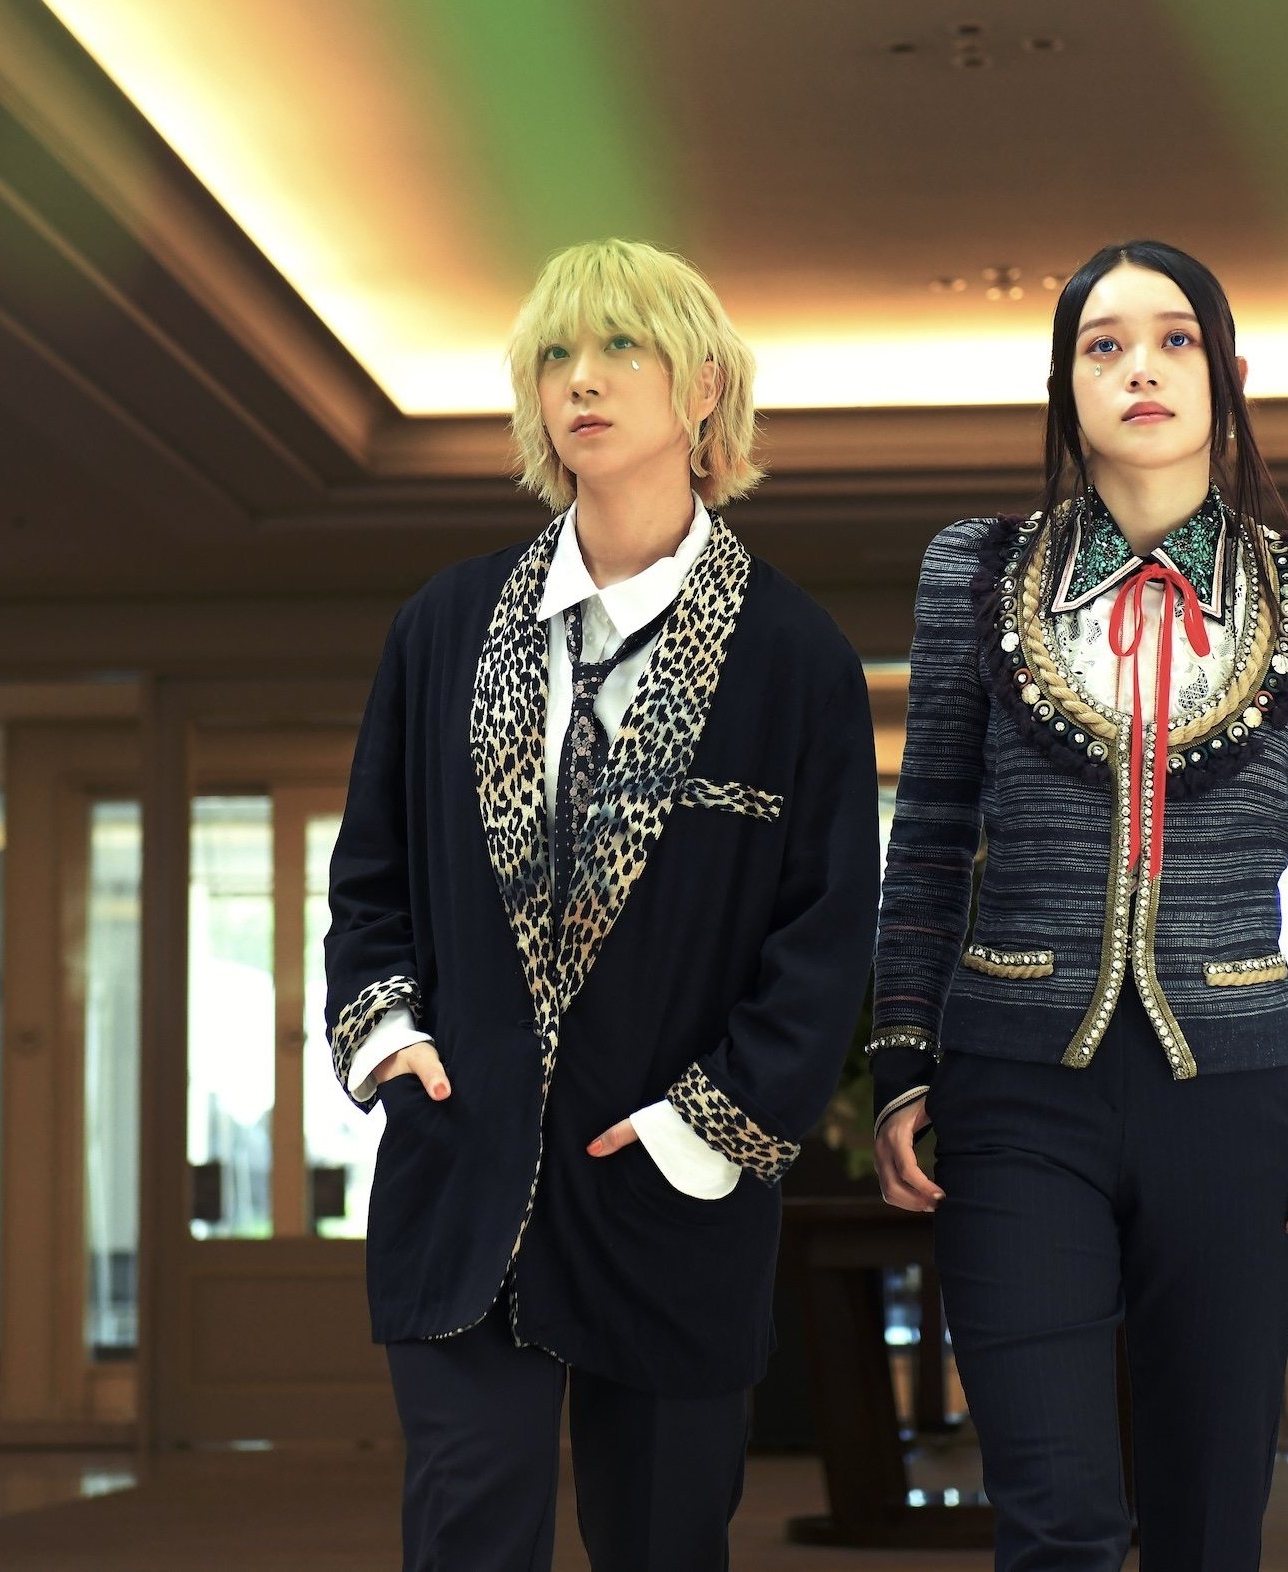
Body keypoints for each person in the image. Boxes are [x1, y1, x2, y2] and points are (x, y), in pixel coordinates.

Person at [323, 237, 880, 1572]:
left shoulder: (793, 656)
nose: (583, 379)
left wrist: (702, 1128)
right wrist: (389, 1040)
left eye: (621, 346)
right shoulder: (445, 627)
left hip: (671, 1190)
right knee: (466, 1525)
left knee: (663, 1540)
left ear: (704, 387)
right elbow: (370, 877)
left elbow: (823, 940)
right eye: (556, 356)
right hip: (465, 1172)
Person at [867, 240, 1288, 1572]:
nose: (1140, 370)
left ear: (1229, 375)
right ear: (1067, 388)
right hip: (1014, 1089)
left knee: (1208, 1524)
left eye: (1174, 340)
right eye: (1102, 347)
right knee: (1053, 1518)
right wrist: (900, 1065)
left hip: (1236, 1098)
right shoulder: (975, 571)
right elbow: (927, 837)